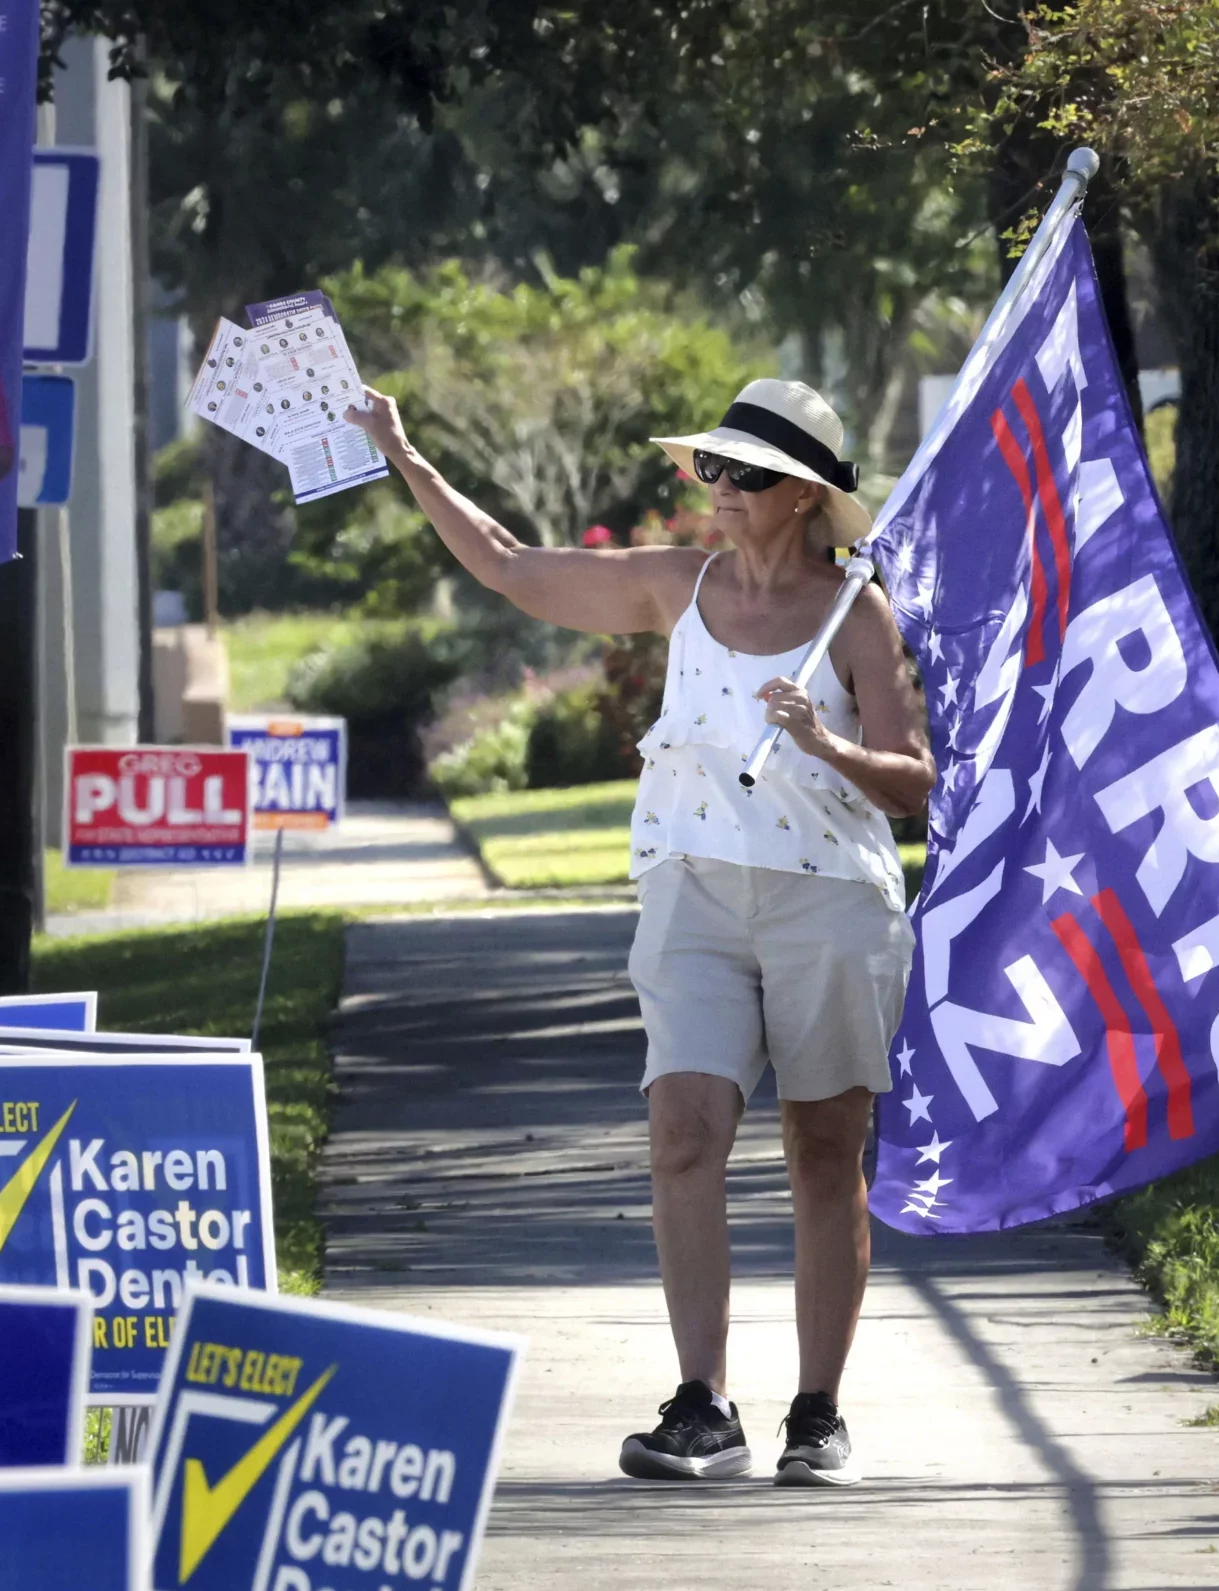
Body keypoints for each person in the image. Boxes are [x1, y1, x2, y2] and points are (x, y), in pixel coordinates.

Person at [342, 378, 931, 1488]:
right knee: (681, 1135)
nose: (716, 487)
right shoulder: (677, 586)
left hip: (829, 900)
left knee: (821, 1155)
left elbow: (911, 784)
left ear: (804, 494)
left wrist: (827, 744)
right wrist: (403, 453)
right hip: (692, 892)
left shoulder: (859, 614)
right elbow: (512, 566)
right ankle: (702, 1403)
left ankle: (817, 1414)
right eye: (709, 465)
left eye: (743, 473)